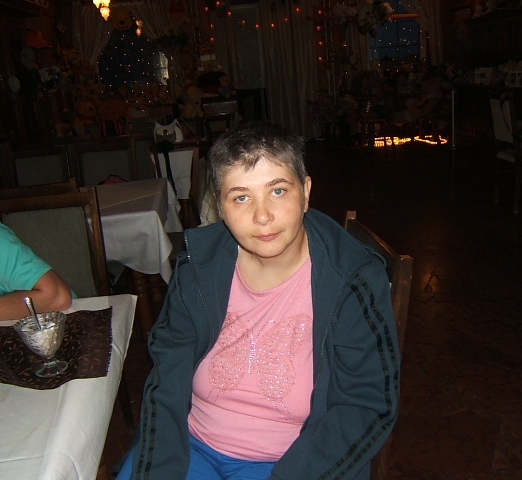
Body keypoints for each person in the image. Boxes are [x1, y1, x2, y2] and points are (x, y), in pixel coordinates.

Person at [118, 121, 400, 480]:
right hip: (189, 446)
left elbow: (364, 404)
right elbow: (167, 374)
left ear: (306, 192)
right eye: (241, 197)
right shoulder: (198, 267)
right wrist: (160, 468)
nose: (262, 215)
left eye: (278, 191)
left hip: (292, 463)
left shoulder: (352, 280)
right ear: (219, 205)